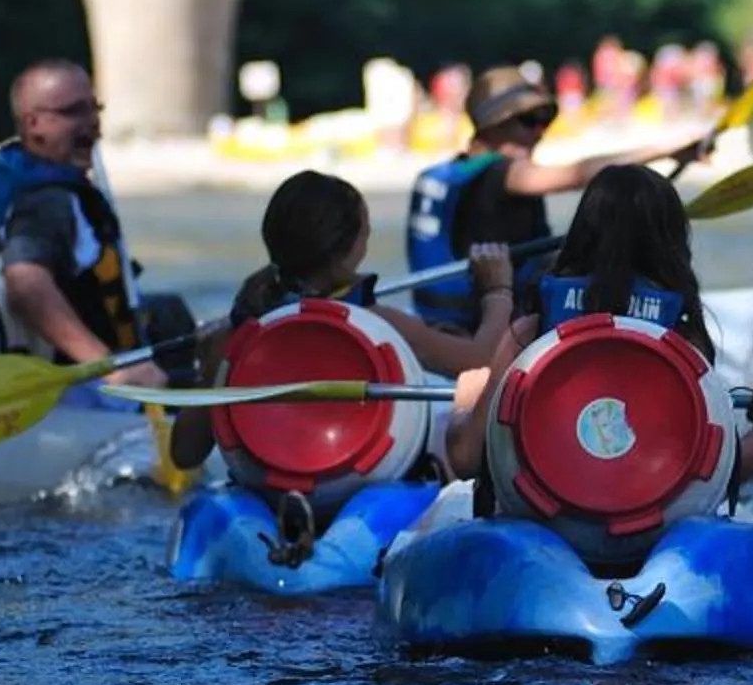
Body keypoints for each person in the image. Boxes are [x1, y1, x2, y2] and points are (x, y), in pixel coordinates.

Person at [440, 164, 753, 571]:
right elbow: (723, 473)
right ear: (672, 243)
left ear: (581, 235)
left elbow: (468, 458)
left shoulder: (531, 331)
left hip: (546, 528)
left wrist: (464, 405)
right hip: (648, 540)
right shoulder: (683, 341)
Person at [165, 171, 510, 477]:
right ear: (344, 251)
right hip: (354, 481)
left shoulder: (236, 334)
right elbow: (480, 360)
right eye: (365, 235)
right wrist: (497, 290)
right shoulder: (378, 326)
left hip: (268, 482)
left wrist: (206, 367)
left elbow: (185, 454)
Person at [402, 65, 709, 334]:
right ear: (492, 124)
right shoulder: (506, 174)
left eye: (545, 119)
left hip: (439, 322)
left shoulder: (444, 173)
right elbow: (579, 173)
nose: (539, 131)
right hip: (487, 327)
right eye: (528, 120)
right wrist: (666, 149)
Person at [0, 59, 164, 383]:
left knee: (174, 312)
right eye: (74, 112)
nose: (93, 123)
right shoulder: (47, 201)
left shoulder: (21, 176)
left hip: (62, 368)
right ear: (33, 124)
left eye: (94, 108)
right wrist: (109, 367)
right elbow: (26, 283)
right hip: (86, 391)